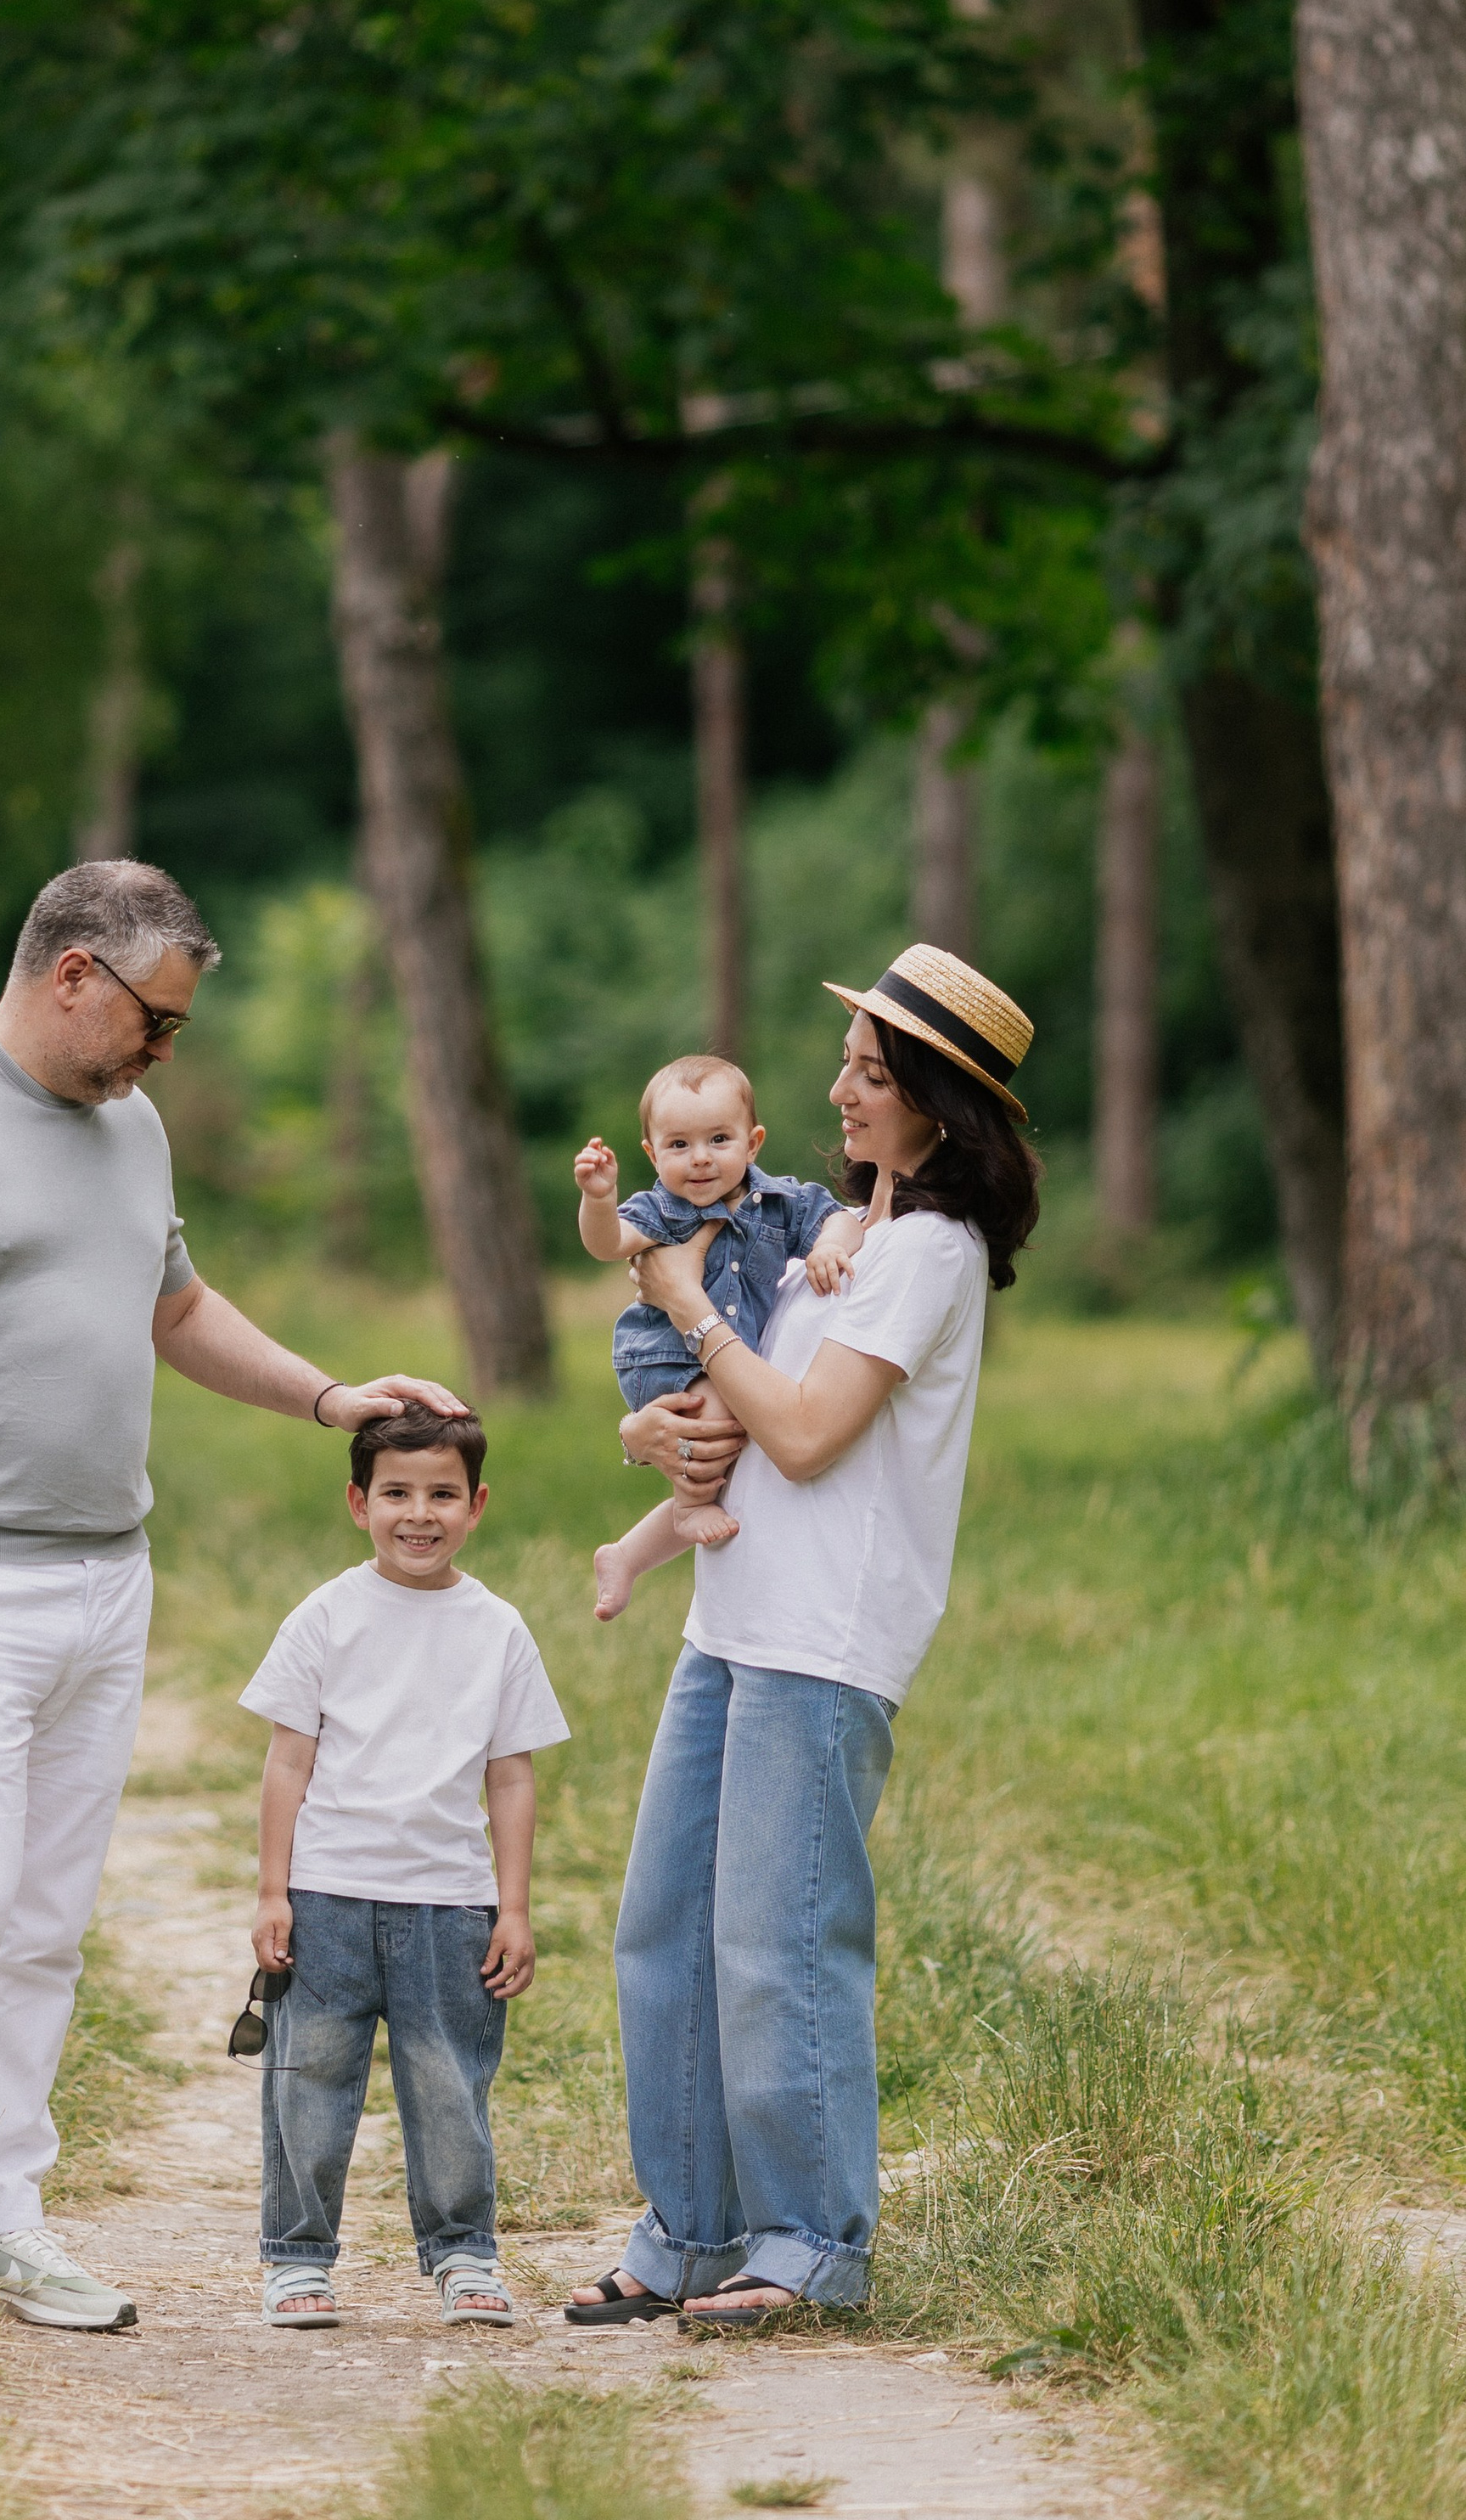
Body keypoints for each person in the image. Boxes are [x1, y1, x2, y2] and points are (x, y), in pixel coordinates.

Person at [0, 857, 467, 2327]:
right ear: (74, 972)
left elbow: (177, 1308)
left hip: (106, 1578)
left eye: (180, 1030)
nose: (167, 1052)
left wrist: (333, 1396)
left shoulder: (131, 1123)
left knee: (41, 1917)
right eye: (154, 1021)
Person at [564, 945, 1041, 2335]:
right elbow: (735, 1406)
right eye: (847, 1063)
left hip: (826, 1642)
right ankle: (692, 2230)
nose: (839, 1089)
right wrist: (646, 1425)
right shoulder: (843, 1230)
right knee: (666, 1934)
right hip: (735, 1619)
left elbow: (812, 1435)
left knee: (780, 1945)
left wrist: (688, 1307)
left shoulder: (932, 1254)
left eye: (870, 1075)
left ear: (938, 1111)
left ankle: (806, 2243)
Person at [238, 1403, 570, 2332]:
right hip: (328, 1900)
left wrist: (513, 1907)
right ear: (357, 1502)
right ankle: (298, 2259)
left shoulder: (496, 1628)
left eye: (441, 1495)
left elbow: (511, 1777)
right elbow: (287, 1762)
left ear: (477, 1504)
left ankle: (464, 2254)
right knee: (306, 2083)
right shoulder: (325, 1616)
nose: (418, 1514)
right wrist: (273, 1891)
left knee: (449, 2090)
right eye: (395, 1493)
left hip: (450, 1907)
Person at [574, 1054, 862, 1613]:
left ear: (753, 1143)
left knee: (731, 1458)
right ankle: (686, 1507)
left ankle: (628, 1555)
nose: (700, 1159)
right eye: (678, 1146)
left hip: (716, 1356)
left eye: (719, 1140)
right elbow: (608, 1244)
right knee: (722, 1435)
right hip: (665, 1355)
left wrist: (828, 1246)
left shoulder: (779, 1202)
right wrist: (598, 1198)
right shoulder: (661, 1209)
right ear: (652, 1154)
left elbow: (843, 1219)